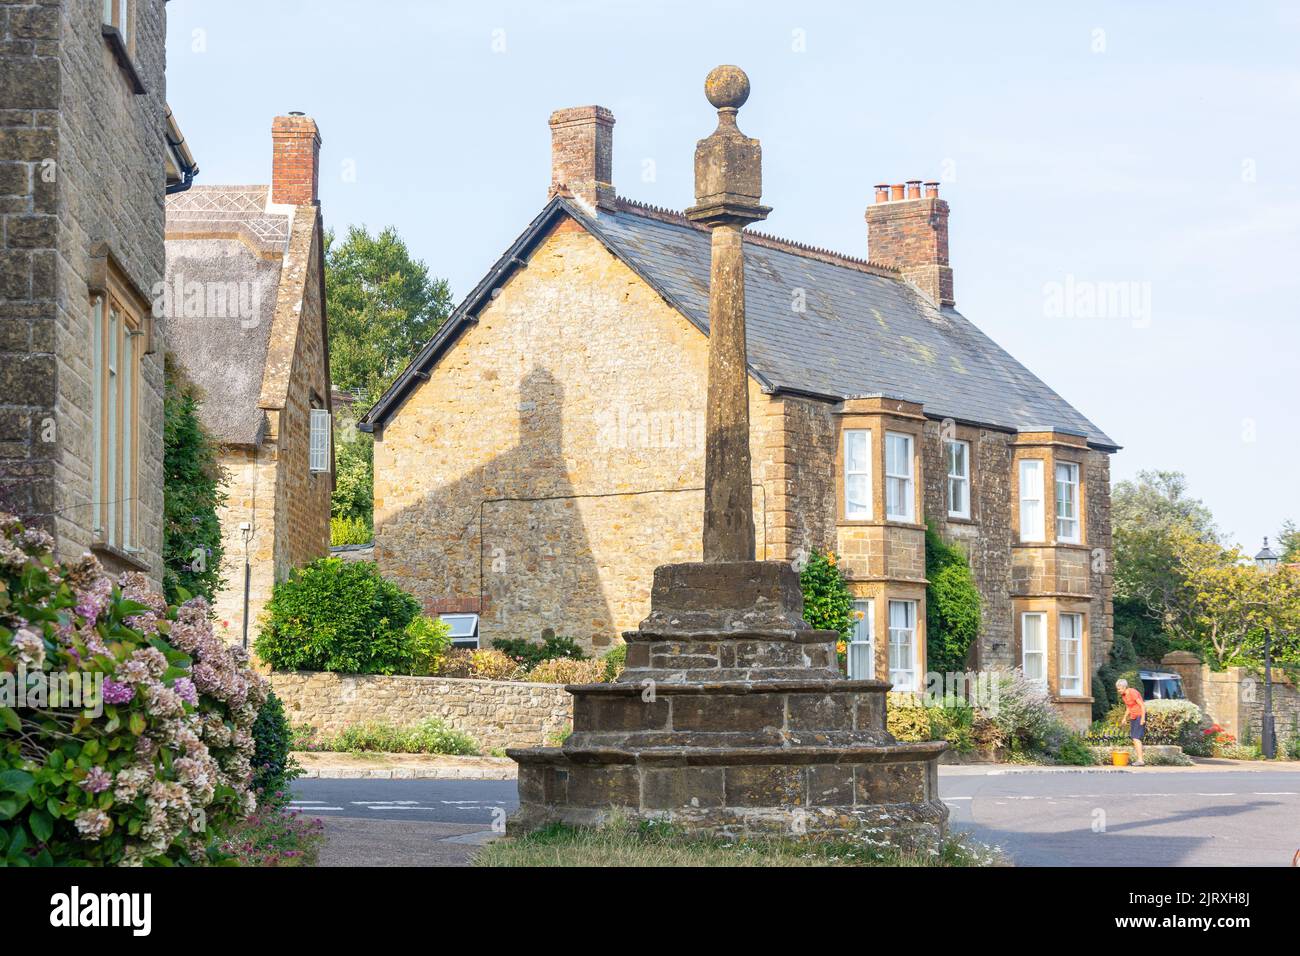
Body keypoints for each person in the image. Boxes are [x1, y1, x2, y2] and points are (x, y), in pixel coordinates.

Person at [1116, 678, 1146, 766]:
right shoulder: (1124, 695)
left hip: (1139, 715)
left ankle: (1140, 760)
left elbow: (1142, 705)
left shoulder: (1133, 692)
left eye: (1119, 689)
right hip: (1133, 716)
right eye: (1117, 689)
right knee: (1134, 737)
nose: (1118, 691)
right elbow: (1128, 707)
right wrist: (1124, 718)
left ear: (1124, 687)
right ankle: (1139, 760)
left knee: (1136, 738)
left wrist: (1143, 718)